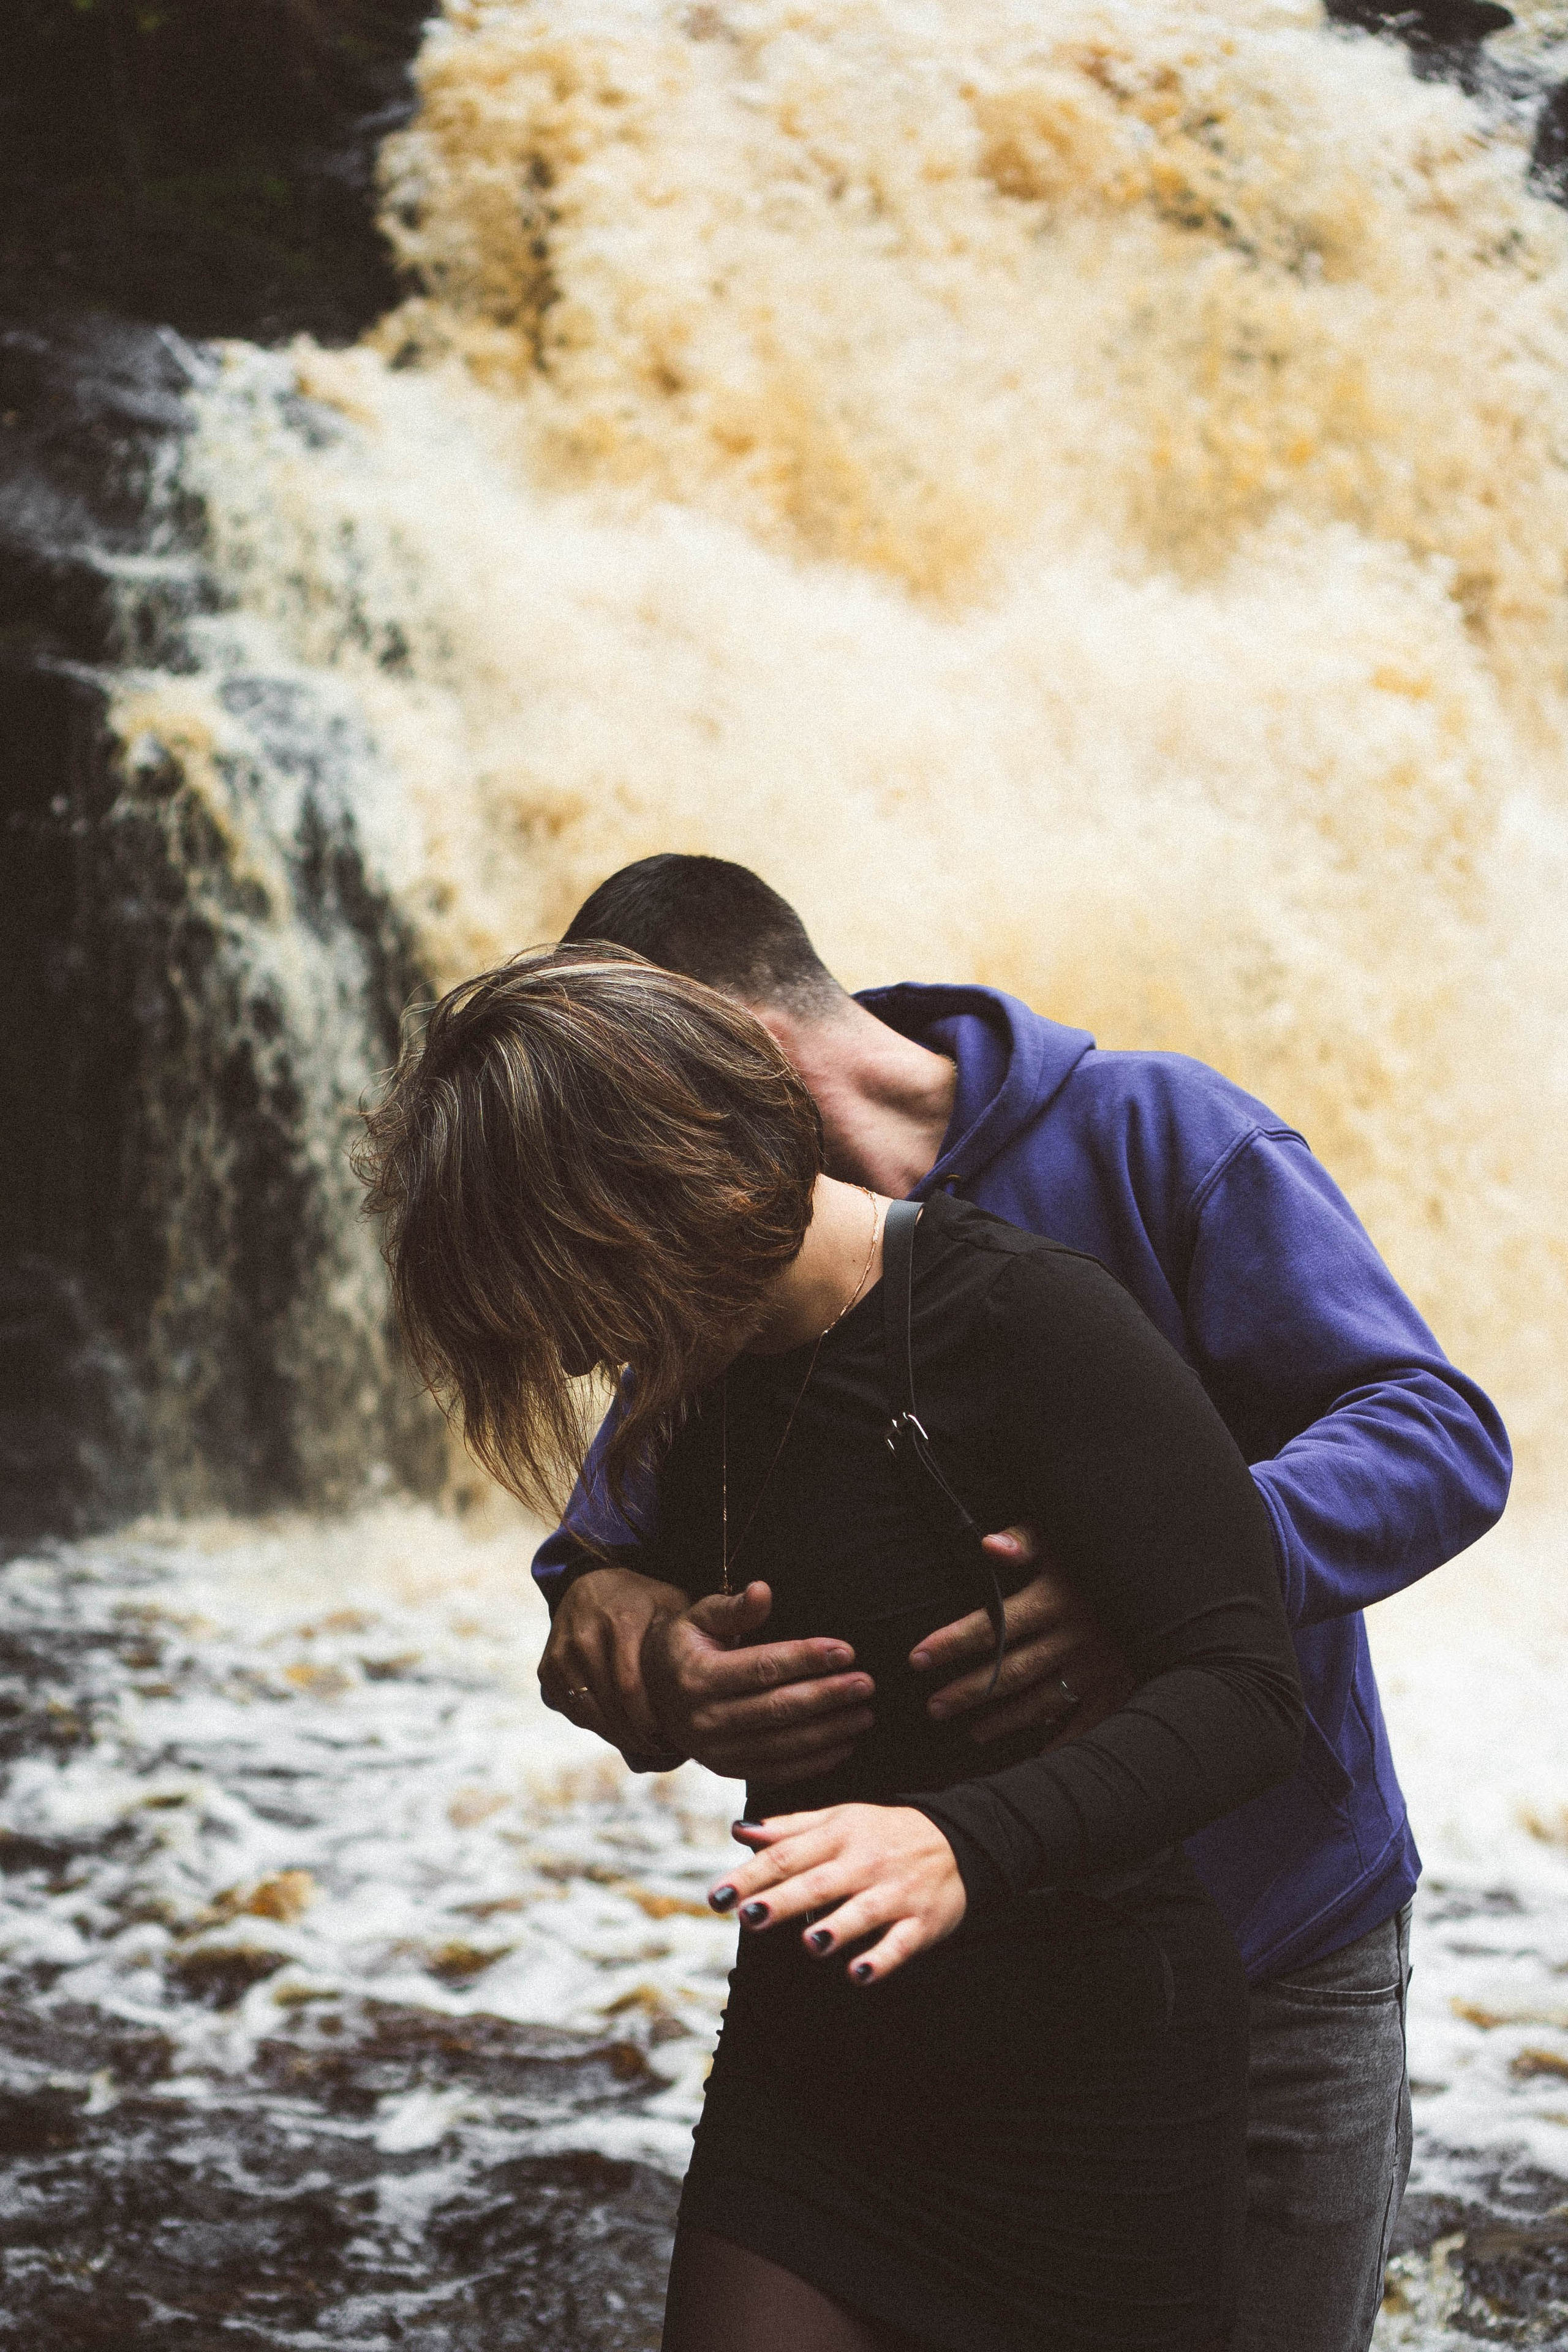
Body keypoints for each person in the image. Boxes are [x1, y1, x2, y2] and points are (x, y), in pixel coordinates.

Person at [535, 854, 1513, 2352]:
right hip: (934, 1995)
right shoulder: (742, 1255)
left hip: (1268, 1934)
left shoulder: (1154, 1131)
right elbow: (604, 1545)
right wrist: (637, 1632)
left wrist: (1165, 1561)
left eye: (634, 1104)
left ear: (731, 1054)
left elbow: (1436, 1431)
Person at [357, 943, 1306, 2350]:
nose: (564, 1360)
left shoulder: (1023, 1319)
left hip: (1085, 2095)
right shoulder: (696, 1382)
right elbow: (600, 1613)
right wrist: (643, 1665)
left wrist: (956, 1843)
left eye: (564, 1297)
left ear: (645, 1202)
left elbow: (1245, 1695)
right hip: (810, 2078)